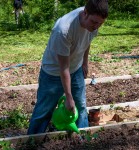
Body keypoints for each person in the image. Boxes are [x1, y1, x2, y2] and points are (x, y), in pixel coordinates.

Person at [27, 0, 108, 135]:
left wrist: (84, 62)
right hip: (53, 73)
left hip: (75, 69)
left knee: (80, 107)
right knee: (44, 111)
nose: (97, 26)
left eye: (100, 23)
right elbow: (63, 68)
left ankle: (82, 139)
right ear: (85, 13)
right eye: (94, 22)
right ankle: (31, 141)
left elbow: (87, 41)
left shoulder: (94, 21)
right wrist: (68, 97)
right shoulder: (63, 30)